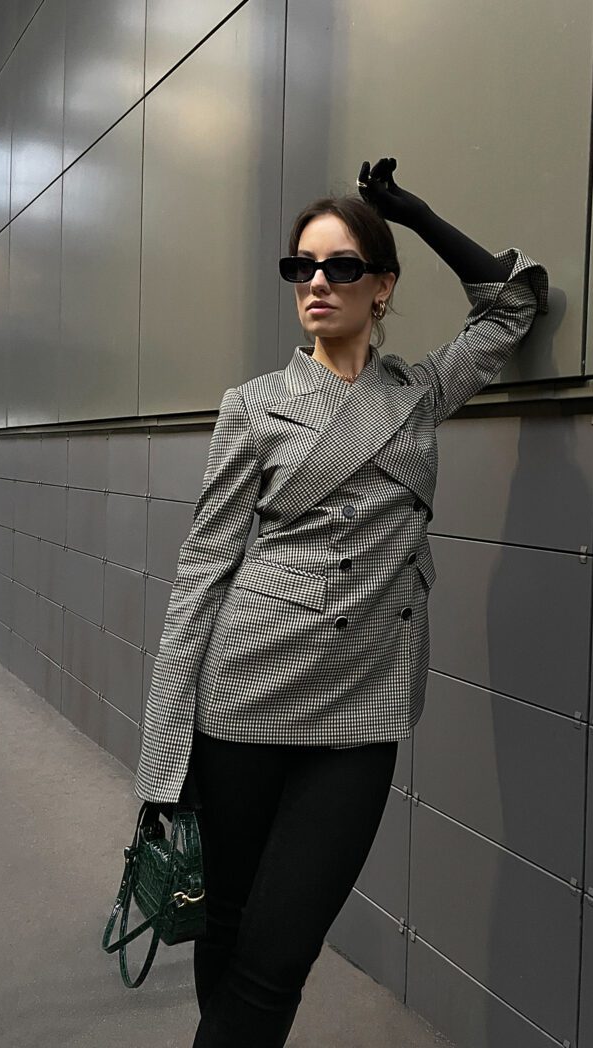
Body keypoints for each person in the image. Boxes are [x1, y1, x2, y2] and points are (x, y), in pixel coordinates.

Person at [133, 157, 549, 1046]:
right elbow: (201, 574)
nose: (317, 283)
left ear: (382, 286)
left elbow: (511, 306)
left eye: (342, 266)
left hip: (361, 709)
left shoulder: (420, 394)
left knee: (277, 956)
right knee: (228, 926)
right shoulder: (253, 407)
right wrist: (163, 766)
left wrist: (414, 213)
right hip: (242, 701)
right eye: (303, 268)